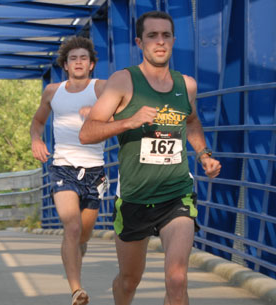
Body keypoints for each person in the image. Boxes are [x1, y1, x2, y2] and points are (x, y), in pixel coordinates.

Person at [79, 11, 221, 305]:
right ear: (139, 42)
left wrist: (204, 153)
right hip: (134, 197)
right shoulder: (122, 82)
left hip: (176, 193)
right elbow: (87, 132)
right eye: (152, 36)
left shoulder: (187, 86)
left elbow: (191, 121)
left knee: (177, 279)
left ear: (173, 40)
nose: (160, 42)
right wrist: (127, 122)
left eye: (166, 35)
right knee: (129, 281)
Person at [30, 36, 108, 305]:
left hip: (95, 171)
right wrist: (36, 139)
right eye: (73, 58)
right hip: (63, 167)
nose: (78, 62)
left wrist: (100, 111)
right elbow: (38, 121)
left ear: (91, 64)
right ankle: (77, 290)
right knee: (72, 227)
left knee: (84, 234)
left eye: (83, 58)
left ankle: (76, 253)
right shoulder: (53, 91)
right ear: (65, 64)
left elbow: (123, 114)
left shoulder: (102, 89)